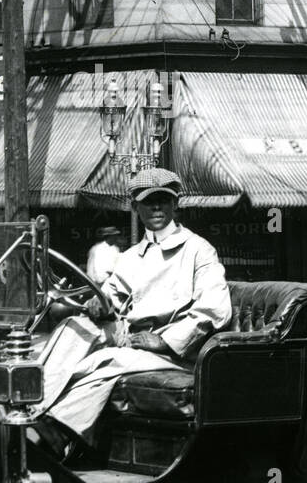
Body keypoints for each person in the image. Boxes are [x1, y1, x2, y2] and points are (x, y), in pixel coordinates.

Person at [37, 167, 232, 451]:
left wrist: (164, 341)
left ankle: (54, 432)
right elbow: (111, 295)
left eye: (163, 200)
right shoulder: (130, 256)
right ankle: (30, 408)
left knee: (103, 362)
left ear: (175, 203)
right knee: (73, 327)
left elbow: (214, 310)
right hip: (131, 340)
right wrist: (99, 304)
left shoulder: (198, 250)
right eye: (148, 201)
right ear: (135, 207)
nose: (156, 207)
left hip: (176, 354)